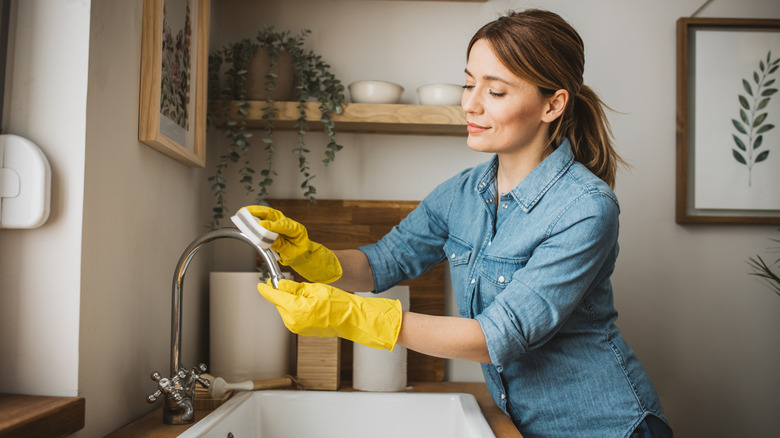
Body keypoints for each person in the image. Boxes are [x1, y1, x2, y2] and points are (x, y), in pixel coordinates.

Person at [250, 9, 672, 438]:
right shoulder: (461, 194)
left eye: (496, 91)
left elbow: (498, 337)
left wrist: (355, 317)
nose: (470, 103)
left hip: (607, 426)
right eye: (469, 84)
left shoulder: (586, 208)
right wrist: (311, 256)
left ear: (553, 104)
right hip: (525, 425)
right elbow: (384, 261)